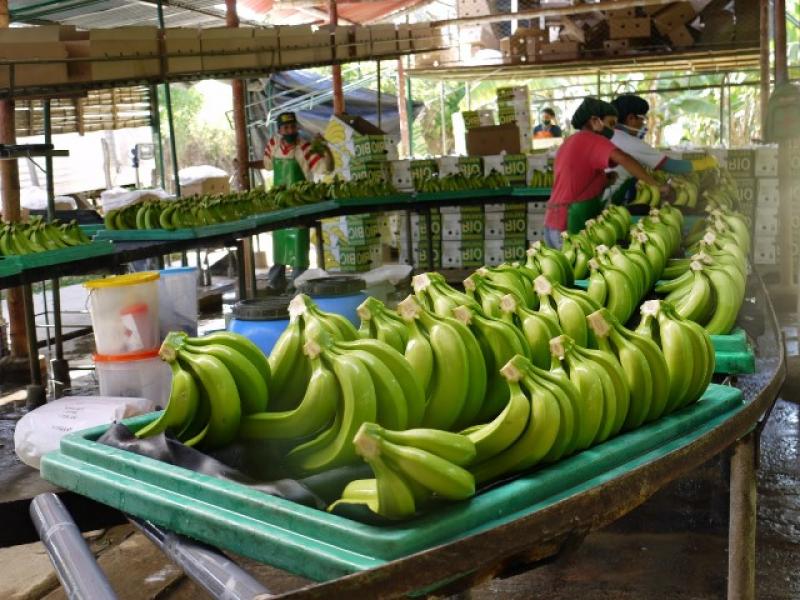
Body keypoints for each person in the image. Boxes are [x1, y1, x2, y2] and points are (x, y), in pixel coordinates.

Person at [543, 97, 669, 248]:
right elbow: (624, 158)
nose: (613, 131)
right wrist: (655, 185)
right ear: (595, 121)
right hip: (569, 224)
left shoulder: (571, 141)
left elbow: (575, 178)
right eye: (610, 124)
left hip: (552, 222)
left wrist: (604, 180)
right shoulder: (592, 139)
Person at [249, 112, 333, 285]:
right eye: (286, 128)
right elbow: (267, 164)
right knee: (279, 244)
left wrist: (325, 149)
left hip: (300, 202)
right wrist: (247, 164)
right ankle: (275, 283)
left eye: (293, 127)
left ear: (297, 128)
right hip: (280, 203)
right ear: (279, 130)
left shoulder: (305, 147)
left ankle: (298, 283)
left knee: (299, 245)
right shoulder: (273, 144)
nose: (290, 131)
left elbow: (326, 168)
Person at [606, 94, 718, 204]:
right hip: (609, 201)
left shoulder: (608, 136)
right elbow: (671, 166)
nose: (643, 124)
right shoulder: (630, 142)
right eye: (642, 119)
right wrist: (706, 163)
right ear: (631, 118)